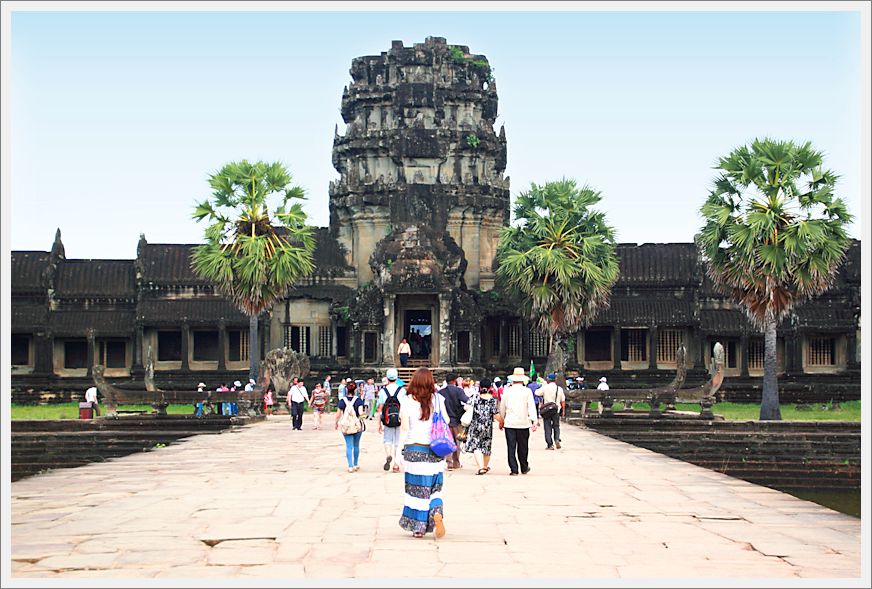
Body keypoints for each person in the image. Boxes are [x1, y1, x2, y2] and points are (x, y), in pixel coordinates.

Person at [397, 367, 447, 539]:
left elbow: (403, 428)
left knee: (416, 489)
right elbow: (446, 421)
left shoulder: (407, 401)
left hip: (413, 449)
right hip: (434, 449)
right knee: (434, 488)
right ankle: (436, 512)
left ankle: (418, 527)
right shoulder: (439, 399)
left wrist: (398, 453)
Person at [499, 367, 538, 476]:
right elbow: (531, 407)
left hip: (510, 423)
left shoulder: (507, 391)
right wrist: (534, 421)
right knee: (523, 446)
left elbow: (502, 408)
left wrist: (502, 420)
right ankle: (524, 467)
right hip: (523, 422)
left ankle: (514, 469)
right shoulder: (527, 391)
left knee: (511, 447)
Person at [463, 377, 501, 475]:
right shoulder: (492, 400)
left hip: (475, 425)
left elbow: (466, 406)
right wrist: (502, 422)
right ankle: (484, 466)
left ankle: (481, 467)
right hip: (487, 426)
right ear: (490, 388)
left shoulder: (474, 397)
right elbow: (496, 414)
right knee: (486, 447)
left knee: (476, 446)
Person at [378, 368, 407, 473]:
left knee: (387, 439)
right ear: (396, 377)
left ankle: (388, 455)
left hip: (387, 418)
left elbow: (380, 408)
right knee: (398, 442)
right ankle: (396, 464)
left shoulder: (382, 391)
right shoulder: (402, 390)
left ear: (387, 378)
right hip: (399, 417)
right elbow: (404, 406)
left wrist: (379, 423)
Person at [437, 374, 468, 470]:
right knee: (457, 441)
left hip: (445, 420)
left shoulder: (441, 392)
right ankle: (456, 462)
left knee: (447, 441)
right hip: (457, 419)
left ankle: (449, 462)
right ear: (455, 381)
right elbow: (467, 400)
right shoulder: (458, 391)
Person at [335, 382, 365, 473]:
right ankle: (355, 464)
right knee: (356, 445)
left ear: (346, 390)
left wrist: (336, 422)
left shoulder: (342, 401)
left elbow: (338, 414)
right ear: (356, 390)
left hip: (346, 425)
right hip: (356, 425)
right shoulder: (358, 400)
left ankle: (350, 466)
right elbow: (360, 413)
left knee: (349, 446)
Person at [536, 373, 566, 450]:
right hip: (556, 409)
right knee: (556, 426)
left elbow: (537, 393)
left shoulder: (545, 388)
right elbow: (563, 401)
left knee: (547, 426)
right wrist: (563, 411)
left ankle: (550, 444)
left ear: (548, 379)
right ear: (555, 380)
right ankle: (557, 438)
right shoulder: (559, 389)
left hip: (547, 410)